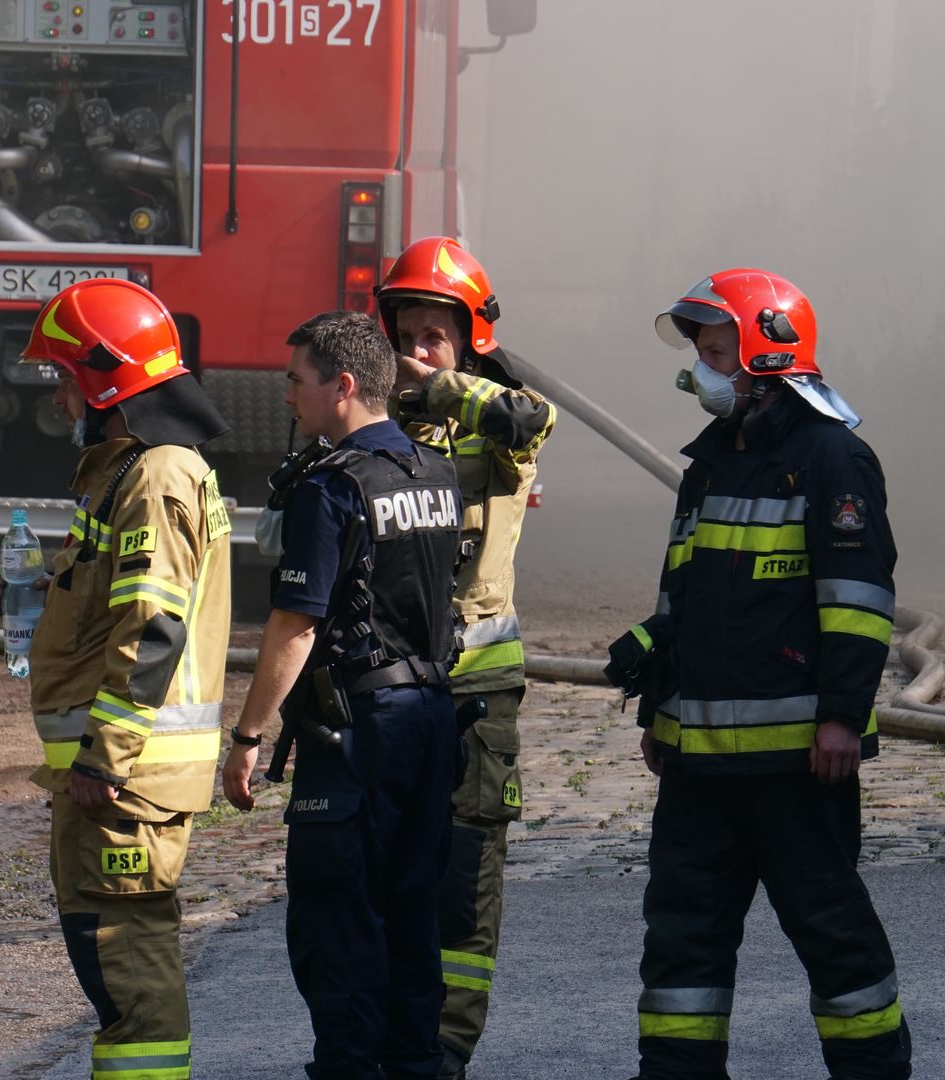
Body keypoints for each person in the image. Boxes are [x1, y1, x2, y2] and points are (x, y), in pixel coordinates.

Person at [607, 269, 912, 1080]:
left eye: (715, 352)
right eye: (702, 352)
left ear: (767, 356)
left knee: (831, 932)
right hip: (698, 762)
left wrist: (843, 716)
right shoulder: (708, 463)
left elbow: (857, 601)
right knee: (682, 941)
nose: (701, 370)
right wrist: (658, 708)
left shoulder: (832, 458)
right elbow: (684, 592)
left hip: (797, 763)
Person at [222, 310, 461, 1080]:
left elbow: (294, 626)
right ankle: (417, 1065)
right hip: (431, 721)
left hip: (358, 732)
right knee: (413, 915)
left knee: (339, 926)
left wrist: (248, 738)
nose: (287, 395)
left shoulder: (333, 488)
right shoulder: (436, 473)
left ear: (344, 386)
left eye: (297, 380)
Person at [18, 277, 232, 1080]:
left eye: (68, 377)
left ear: (103, 379)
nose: (64, 396)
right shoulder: (142, 469)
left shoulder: (156, 476)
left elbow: (154, 627)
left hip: (127, 779)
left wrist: (106, 755)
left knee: (129, 974)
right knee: (110, 969)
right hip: (120, 778)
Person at [375, 236, 556, 1079]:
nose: (413, 351)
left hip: (476, 694)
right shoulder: (373, 428)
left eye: (432, 335)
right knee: (379, 870)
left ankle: (447, 1051)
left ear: (470, 339)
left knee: (464, 881)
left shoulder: (503, 418)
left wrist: (440, 383)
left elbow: (530, 420)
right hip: (385, 693)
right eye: (403, 334)